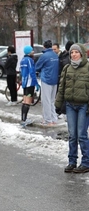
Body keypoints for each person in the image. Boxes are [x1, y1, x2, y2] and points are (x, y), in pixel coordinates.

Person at [55, 43, 89, 173]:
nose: (73, 54)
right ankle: (72, 161)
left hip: (83, 106)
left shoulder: (87, 67)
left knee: (81, 135)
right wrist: (58, 104)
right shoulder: (67, 68)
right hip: (70, 105)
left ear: (81, 53)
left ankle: (86, 162)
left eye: (76, 52)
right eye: (72, 52)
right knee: (72, 135)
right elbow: (62, 88)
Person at [35, 40, 59, 126]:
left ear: (44, 46)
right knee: (52, 101)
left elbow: (37, 67)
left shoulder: (44, 56)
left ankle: (48, 120)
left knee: (46, 101)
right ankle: (54, 119)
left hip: (46, 80)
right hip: (55, 80)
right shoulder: (55, 55)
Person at [19, 46, 38, 127]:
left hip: (24, 83)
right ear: (29, 52)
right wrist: (36, 83)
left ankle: (23, 119)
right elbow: (32, 72)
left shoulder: (22, 60)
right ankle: (24, 120)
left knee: (25, 101)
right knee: (28, 102)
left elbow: (21, 72)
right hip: (30, 83)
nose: (33, 51)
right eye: (32, 50)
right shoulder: (30, 60)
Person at [56, 40, 74, 117]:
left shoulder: (62, 55)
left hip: (60, 77)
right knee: (65, 95)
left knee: (61, 94)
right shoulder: (68, 57)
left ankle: (59, 110)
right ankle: (62, 111)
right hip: (66, 78)